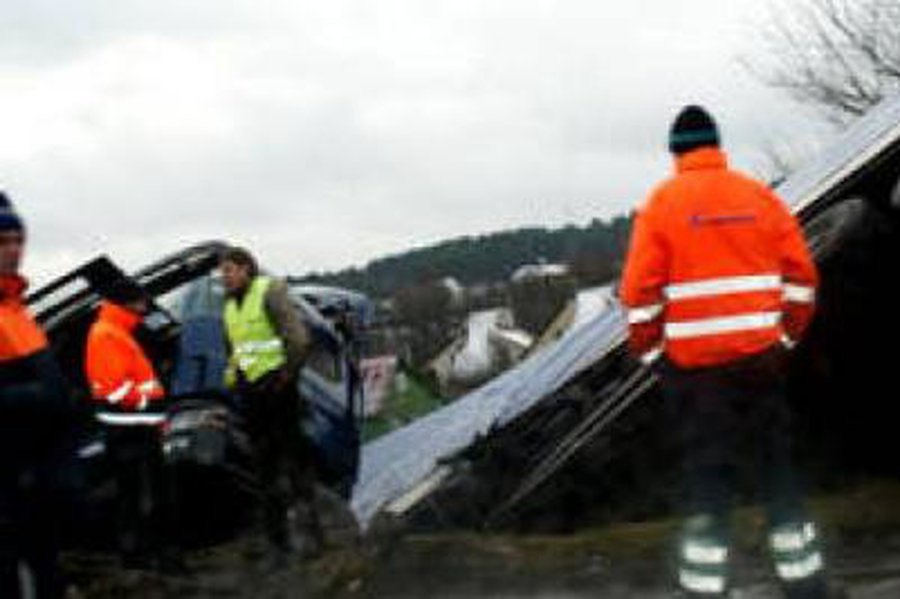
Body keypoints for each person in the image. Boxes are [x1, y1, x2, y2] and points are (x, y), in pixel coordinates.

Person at [619, 106, 826, 598]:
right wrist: (784, 341)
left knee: (708, 489)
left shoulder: (662, 204)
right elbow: (802, 279)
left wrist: (654, 357)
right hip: (760, 366)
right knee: (780, 481)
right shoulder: (759, 196)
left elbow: (638, 296)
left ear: (676, 152)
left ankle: (706, 592)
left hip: (697, 379)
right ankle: (807, 589)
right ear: (717, 144)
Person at [219, 246, 323, 563]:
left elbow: (298, 338)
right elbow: (235, 349)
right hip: (251, 393)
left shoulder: (270, 291)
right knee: (264, 469)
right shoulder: (228, 306)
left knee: (293, 461)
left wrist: (285, 376)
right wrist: (233, 378)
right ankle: (278, 544)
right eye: (222, 272)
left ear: (246, 269)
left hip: (278, 389)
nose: (224, 277)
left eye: (229, 270)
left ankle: (311, 537)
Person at [0, 191, 80, 598]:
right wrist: (42, 396)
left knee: (44, 567)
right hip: (11, 481)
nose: (14, 250)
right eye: (3, 242)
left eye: (18, 240)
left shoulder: (16, 308)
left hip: (39, 482)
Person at [84, 280, 180, 569]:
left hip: (138, 428)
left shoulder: (117, 331)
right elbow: (115, 391)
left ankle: (147, 555)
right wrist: (149, 405)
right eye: (141, 301)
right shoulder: (107, 335)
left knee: (140, 494)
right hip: (129, 431)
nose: (145, 306)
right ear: (127, 302)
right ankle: (143, 557)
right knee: (139, 496)